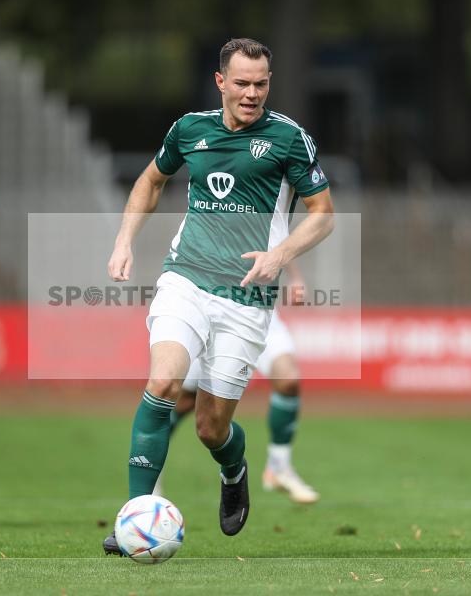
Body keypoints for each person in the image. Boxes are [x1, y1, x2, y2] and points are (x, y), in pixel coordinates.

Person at [103, 38, 333, 555]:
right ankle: (135, 517)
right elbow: (150, 181)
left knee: (210, 427)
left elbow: (323, 214)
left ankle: (235, 467)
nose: (252, 93)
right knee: (163, 380)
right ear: (221, 81)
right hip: (185, 277)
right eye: (243, 83)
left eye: (262, 84)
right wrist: (123, 242)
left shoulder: (289, 139)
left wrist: (280, 255)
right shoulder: (190, 129)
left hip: (248, 298)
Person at [160, 263, 319, 505]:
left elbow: (280, 238)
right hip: (210, 308)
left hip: (259, 309)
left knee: (288, 380)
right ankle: (151, 477)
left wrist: (295, 276)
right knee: (185, 403)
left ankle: (279, 467)